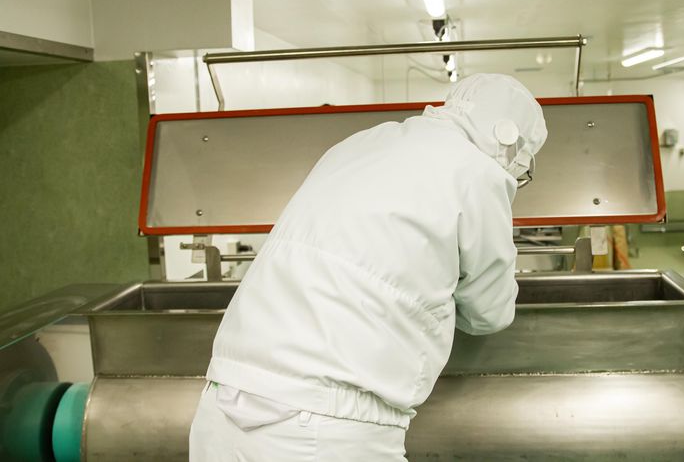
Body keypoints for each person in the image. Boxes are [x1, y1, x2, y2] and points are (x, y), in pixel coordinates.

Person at [189, 73, 548, 461]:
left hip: (221, 407)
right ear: (511, 145)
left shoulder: (360, 142)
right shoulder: (479, 172)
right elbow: (490, 312)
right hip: (323, 424)